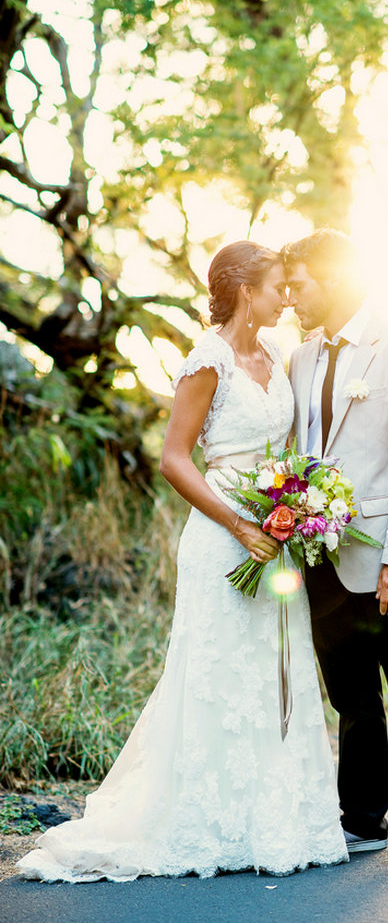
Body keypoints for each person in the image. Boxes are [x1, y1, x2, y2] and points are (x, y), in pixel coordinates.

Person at [16, 240, 347, 883]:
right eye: (277, 286)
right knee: (219, 671)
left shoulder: (277, 356)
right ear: (245, 290)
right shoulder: (208, 361)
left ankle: (276, 820)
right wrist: (239, 523)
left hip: (274, 531)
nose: (286, 296)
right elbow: (174, 457)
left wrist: (293, 510)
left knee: (273, 667)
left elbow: (284, 445)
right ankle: (205, 821)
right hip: (224, 530)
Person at [283, 228, 388, 863]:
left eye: (299, 285)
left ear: (331, 279)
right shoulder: (300, 358)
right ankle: (362, 820)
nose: (292, 298)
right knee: (351, 697)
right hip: (319, 556)